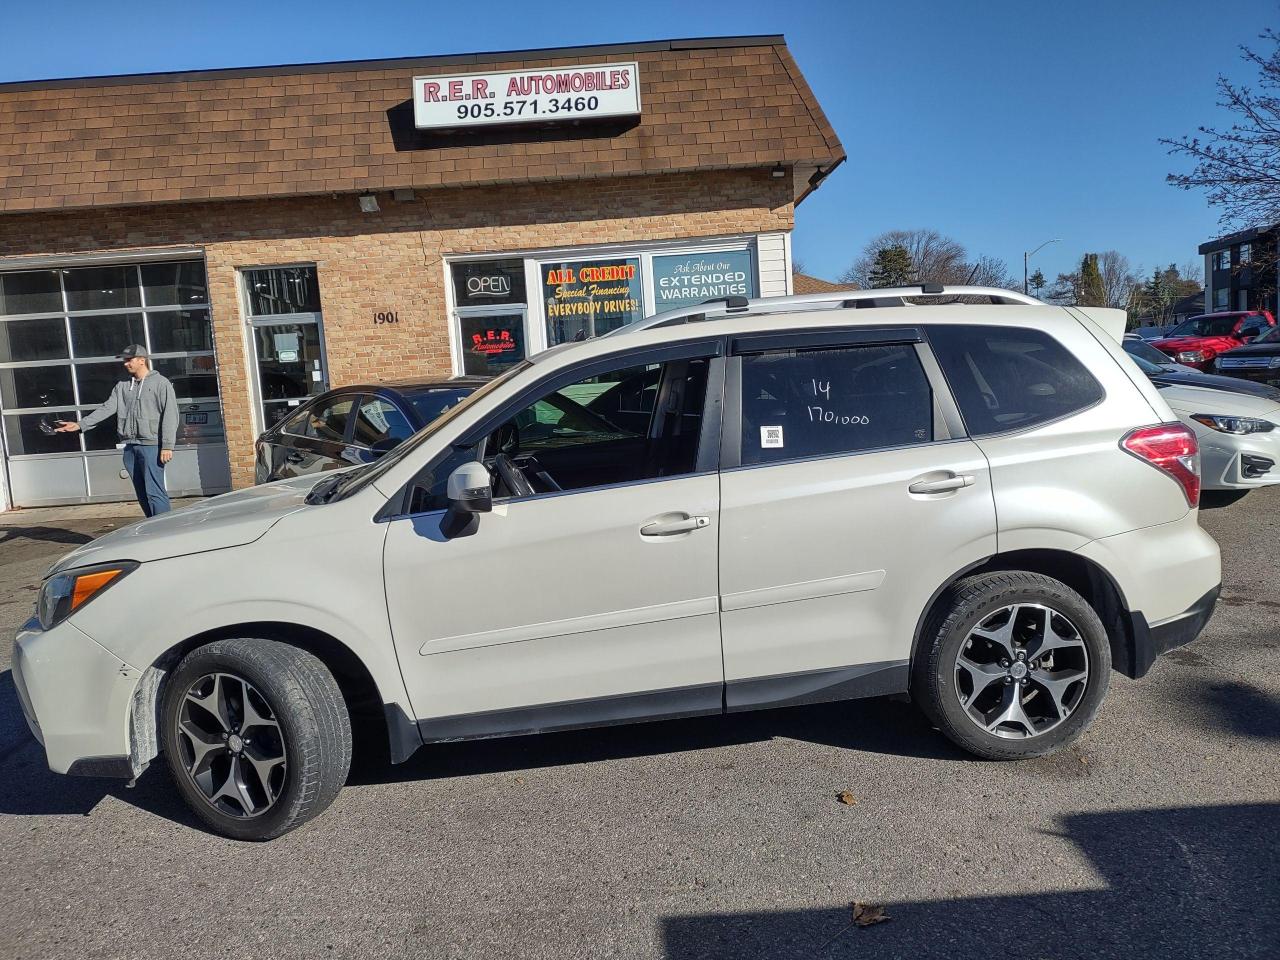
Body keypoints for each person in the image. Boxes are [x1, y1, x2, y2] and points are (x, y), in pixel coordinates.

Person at [56, 344, 178, 517]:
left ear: (142, 360)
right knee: (142, 494)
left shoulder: (161, 383)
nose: (125, 364)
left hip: (152, 446)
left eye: (129, 360)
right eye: (124, 360)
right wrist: (80, 425)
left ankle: (167, 531)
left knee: (154, 492)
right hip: (130, 447)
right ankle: (153, 529)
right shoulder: (122, 387)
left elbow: (170, 415)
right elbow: (106, 409)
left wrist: (167, 445)